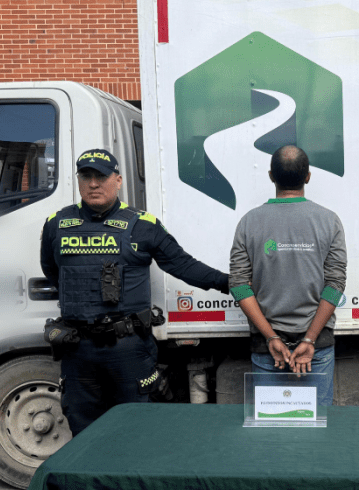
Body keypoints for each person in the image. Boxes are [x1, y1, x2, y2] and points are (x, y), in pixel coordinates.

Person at [40, 149, 228, 435]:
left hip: (127, 348)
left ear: (118, 181)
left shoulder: (142, 225)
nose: (93, 184)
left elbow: (183, 266)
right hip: (78, 351)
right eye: (86, 176)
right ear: (78, 181)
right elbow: (52, 271)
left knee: (137, 428)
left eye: (101, 177)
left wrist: (232, 283)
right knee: (82, 429)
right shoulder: (57, 224)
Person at [229, 145, 347, 405]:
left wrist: (271, 337)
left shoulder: (249, 222)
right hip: (316, 345)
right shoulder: (329, 221)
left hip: (268, 346)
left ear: (271, 176)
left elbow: (239, 286)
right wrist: (310, 339)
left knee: (272, 425)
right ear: (308, 176)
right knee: (318, 422)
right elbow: (335, 286)